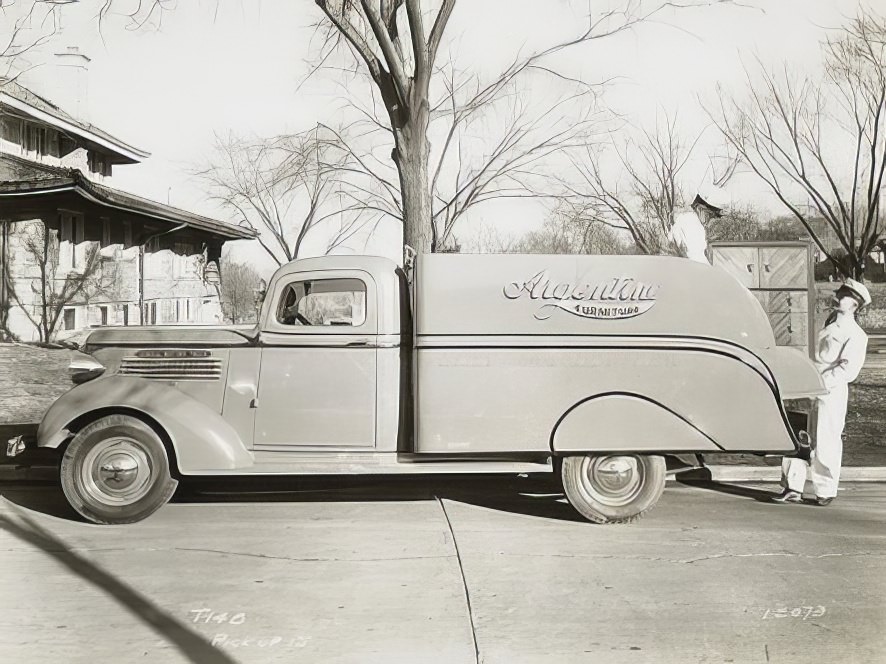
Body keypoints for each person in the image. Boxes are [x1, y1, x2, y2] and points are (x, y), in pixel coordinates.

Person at [772, 278, 871, 506]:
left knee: (826, 440)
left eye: (844, 295)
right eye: (840, 292)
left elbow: (847, 371)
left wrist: (818, 384)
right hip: (808, 387)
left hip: (830, 392)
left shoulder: (856, 334)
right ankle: (792, 486)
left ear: (855, 305)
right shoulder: (828, 324)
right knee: (797, 436)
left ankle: (825, 489)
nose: (838, 296)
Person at [668, 186, 727, 264]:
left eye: (714, 216)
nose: (711, 219)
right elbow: (695, 258)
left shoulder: (697, 223)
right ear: (699, 208)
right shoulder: (689, 222)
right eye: (710, 214)